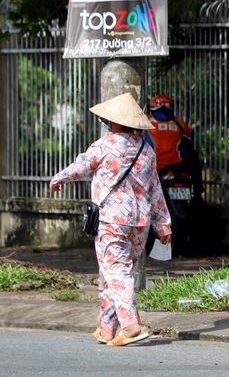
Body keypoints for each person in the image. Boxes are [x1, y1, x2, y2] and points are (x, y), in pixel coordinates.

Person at [50, 93, 172, 347]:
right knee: (117, 273)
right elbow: (155, 190)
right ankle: (106, 328)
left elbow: (80, 167)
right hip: (139, 224)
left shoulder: (104, 146)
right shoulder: (146, 150)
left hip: (112, 221)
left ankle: (130, 326)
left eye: (107, 119)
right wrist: (163, 226)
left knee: (116, 272)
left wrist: (58, 178)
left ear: (115, 122)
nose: (105, 122)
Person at [145, 94, 205, 201]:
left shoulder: (146, 121)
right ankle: (198, 193)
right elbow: (188, 146)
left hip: (156, 168)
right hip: (180, 168)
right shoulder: (180, 124)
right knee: (194, 155)